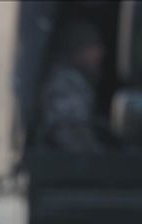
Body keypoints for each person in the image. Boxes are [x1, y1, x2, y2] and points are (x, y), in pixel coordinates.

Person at [39, 21, 106, 153]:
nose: (100, 53)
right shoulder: (63, 86)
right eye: (92, 47)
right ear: (77, 51)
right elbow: (71, 135)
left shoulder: (75, 82)